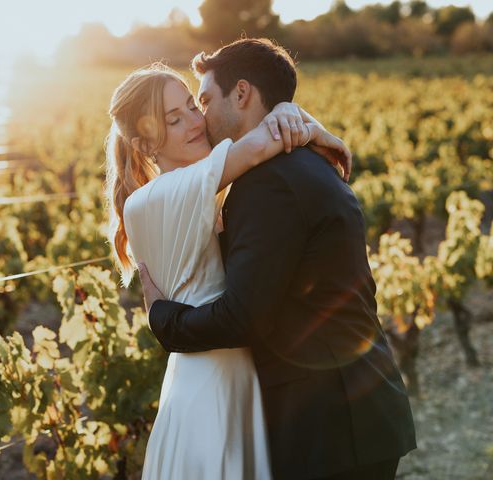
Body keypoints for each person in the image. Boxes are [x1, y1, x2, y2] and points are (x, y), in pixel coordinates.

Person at [137, 39, 417, 480]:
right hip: (353, 411)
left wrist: (163, 319)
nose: (201, 118)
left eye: (205, 100)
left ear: (243, 93)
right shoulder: (306, 159)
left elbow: (243, 317)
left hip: (330, 426)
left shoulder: (269, 184)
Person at [105, 48, 351, 479]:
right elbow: (261, 139)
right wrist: (318, 132)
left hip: (231, 374)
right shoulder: (156, 198)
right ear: (145, 144)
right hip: (211, 387)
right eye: (174, 119)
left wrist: (293, 117)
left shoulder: (199, 190)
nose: (196, 122)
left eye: (191, 107)